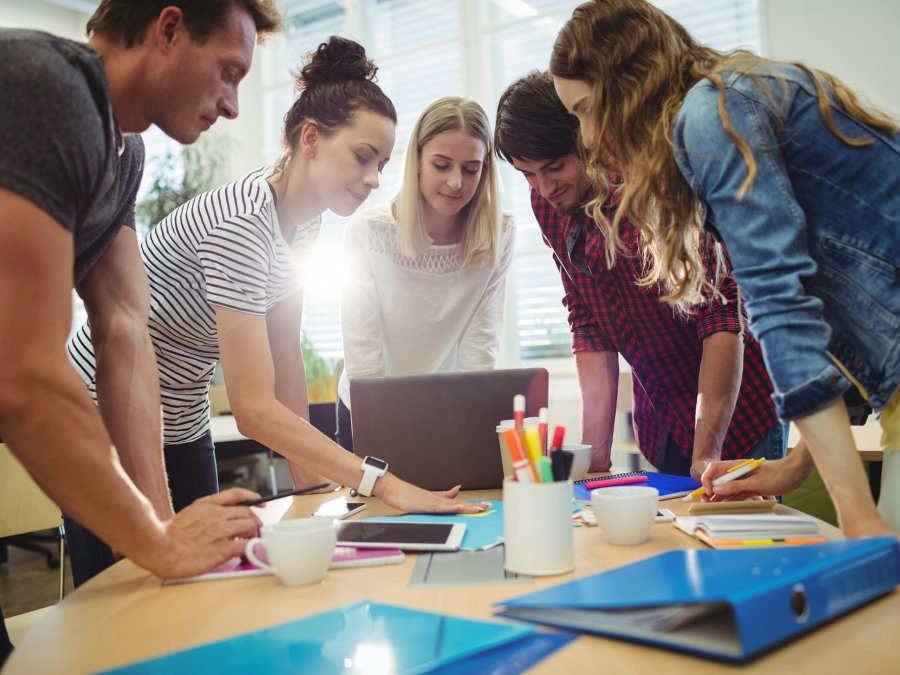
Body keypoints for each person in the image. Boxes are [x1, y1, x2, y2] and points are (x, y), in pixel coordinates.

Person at [65, 38, 489, 586]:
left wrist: (313, 488)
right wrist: (378, 482)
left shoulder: (303, 223)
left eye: (382, 164)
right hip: (106, 405)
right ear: (310, 138)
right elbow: (253, 408)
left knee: (195, 586)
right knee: (124, 596)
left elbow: (285, 355)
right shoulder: (242, 222)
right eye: (362, 157)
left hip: (182, 414)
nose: (374, 179)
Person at [549, 0, 900, 537]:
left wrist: (857, 518)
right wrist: (794, 468)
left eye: (586, 108)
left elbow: (782, 309)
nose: (589, 137)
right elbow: (842, 326)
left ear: (628, 83)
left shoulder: (712, 116)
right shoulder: (731, 97)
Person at [0, 0, 283, 663]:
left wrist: (163, 533)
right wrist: (158, 543)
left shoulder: (121, 150)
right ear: (168, 29)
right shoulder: (50, 89)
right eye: (228, 72)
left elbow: (127, 330)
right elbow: (23, 374)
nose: (233, 104)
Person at [494, 70, 782, 479]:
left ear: (586, 139)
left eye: (554, 167)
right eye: (528, 174)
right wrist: (594, 457)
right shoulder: (549, 203)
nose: (543, 188)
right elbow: (588, 321)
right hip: (662, 416)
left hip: (737, 412)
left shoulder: (652, 187)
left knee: (742, 538)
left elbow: (720, 316)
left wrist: (707, 455)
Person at [337, 97, 515, 451]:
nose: (456, 183)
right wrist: (387, 432)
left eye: (471, 169)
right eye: (441, 165)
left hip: (448, 407)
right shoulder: (368, 232)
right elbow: (363, 355)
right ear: (417, 161)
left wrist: (464, 427)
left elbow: (480, 350)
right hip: (368, 406)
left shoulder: (499, 234)